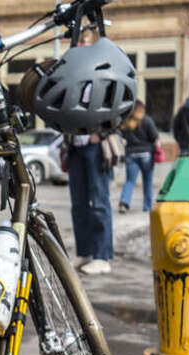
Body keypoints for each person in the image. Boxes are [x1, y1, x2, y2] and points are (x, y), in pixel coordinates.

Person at [64, 28, 113, 275]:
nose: (81, 45)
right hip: (76, 146)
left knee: (99, 202)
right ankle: (84, 253)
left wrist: (100, 133)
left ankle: (103, 256)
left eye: (86, 41)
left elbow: (117, 109)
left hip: (94, 147)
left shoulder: (104, 75)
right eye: (79, 41)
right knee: (79, 203)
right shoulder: (75, 76)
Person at [118, 100, 160, 213]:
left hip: (131, 154)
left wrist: (122, 140)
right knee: (147, 181)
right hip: (146, 155)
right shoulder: (147, 120)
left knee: (130, 181)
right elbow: (155, 138)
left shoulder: (126, 121)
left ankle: (124, 203)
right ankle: (147, 207)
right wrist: (158, 149)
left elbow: (119, 135)